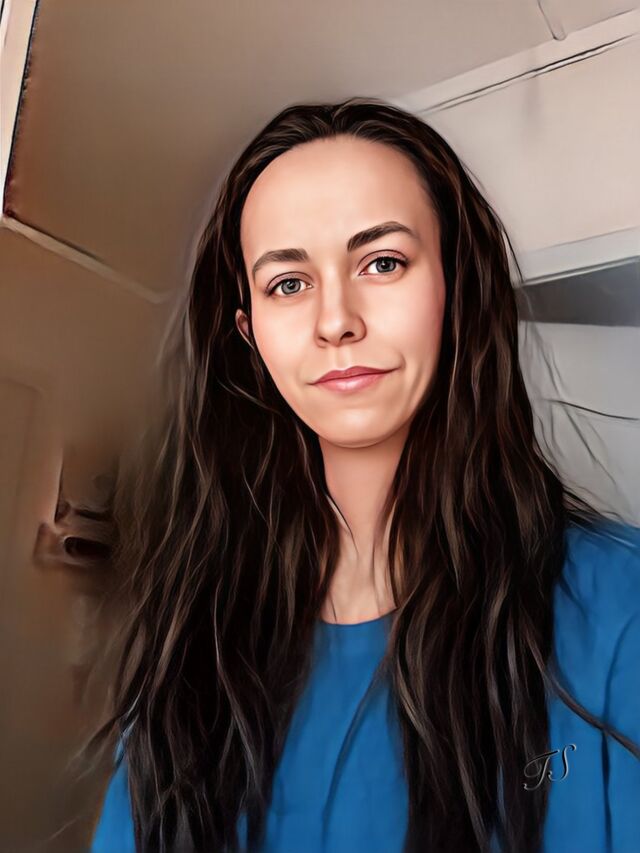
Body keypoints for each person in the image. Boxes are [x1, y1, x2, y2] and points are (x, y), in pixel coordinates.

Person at [85, 97, 640, 852]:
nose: (335, 320)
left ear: (456, 288)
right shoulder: (192, 648)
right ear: (249, 334)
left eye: (382, 263)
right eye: (288, 283)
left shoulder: (619, 606)